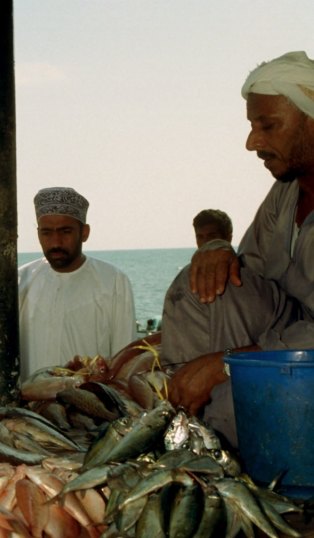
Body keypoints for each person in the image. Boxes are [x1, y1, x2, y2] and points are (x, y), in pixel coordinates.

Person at [163, 51, 314, 446]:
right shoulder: (285, 194)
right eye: (252, 126)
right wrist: (216, 248)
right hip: (281, 341)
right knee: (202, 282)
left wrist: (228, 363)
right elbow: (246, 271)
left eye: (268, 125)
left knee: (233, 395)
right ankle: (183, 423)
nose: (252, 142)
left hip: (305, 359)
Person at [18, 187, 136, 379]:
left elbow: (124, 360)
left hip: (89, 405)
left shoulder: (112, 281)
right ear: (38, 234)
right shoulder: (21, 280)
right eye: (47, 232)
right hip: (28, 405)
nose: (56, 242)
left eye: (65, 231)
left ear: (84, 233)